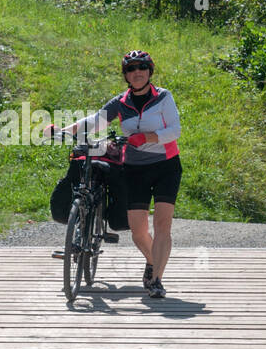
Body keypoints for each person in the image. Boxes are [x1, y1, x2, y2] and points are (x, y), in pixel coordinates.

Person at [47, 50, 182, 297]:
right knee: (138, 231)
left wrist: (148, 137)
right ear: (126, 76)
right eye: (131, 69)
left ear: (150, 71)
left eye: (142, 67)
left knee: (163, 225)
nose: (137, 72)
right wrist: (60, 130)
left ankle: (156, 281)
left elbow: (175, 130)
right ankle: (153, 262)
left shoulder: (163, 97)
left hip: (166, 166)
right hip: (135, 169)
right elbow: (94, 121)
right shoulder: (121, 102)